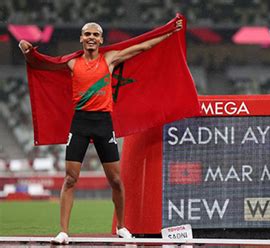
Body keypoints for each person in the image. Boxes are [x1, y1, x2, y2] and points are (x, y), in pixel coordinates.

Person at [19, 19, 183, 245]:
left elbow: (143, 47)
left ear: (101, 40)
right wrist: (27, 52)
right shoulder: (72, 64)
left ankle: (122, 227)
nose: (91, 38)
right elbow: (43, 65)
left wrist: (168, 33)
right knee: (70, 178)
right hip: (80, 123)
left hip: (104, 123)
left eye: (96, 35)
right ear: (81, 38)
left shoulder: (110, 59)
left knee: (116, 180)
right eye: (87, 34)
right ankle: (64, 232)